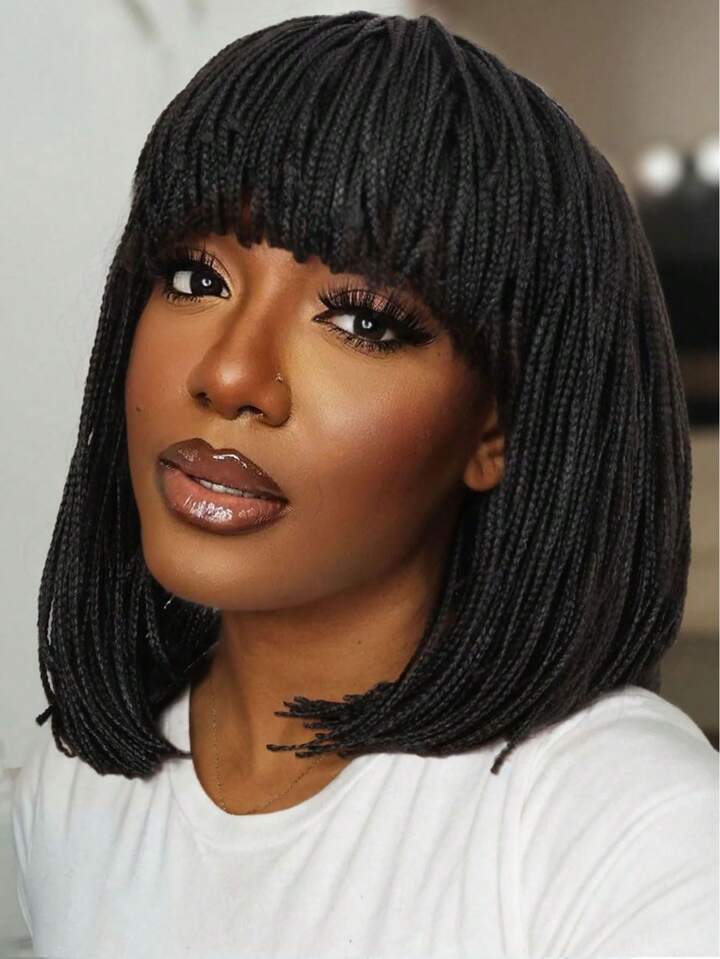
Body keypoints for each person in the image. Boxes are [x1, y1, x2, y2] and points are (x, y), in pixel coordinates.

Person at [11, 10, 718, 959]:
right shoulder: (72, 793)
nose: (229, 374)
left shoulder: (622, 823)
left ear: (497, 430)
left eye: (361, 323)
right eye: (194, 278)